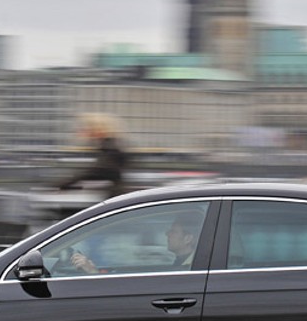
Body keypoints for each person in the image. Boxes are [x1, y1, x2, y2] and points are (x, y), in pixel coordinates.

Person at [70, 210, 203, 274]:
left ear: (188, 238)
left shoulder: (186, 269)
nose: (167, 234)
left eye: (173, 231)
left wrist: (94, 274)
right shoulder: (182, 263)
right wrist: (96, 273)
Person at [57, 113, 127, 197]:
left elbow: (98, 171)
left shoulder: (109, 146)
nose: (83, 131)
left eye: (87, 128)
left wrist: (64, 185)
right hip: (112, 192)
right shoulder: (109, 145)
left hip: (113, 194)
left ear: (98, 129)